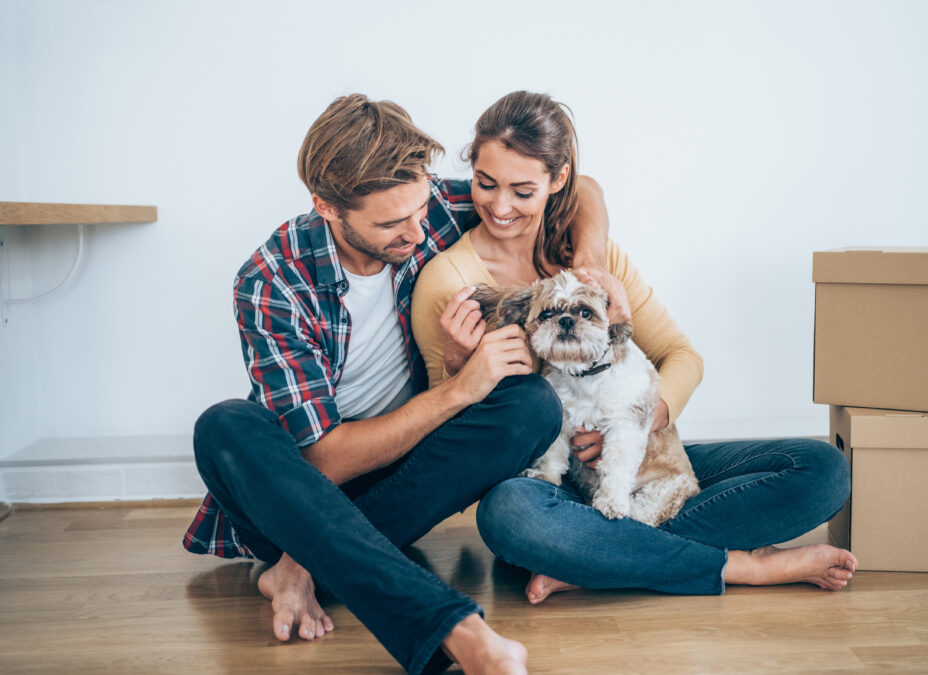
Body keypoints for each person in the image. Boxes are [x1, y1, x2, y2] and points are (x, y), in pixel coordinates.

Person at [183, 93, 615, 675]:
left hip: (403, 485)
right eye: (391, 223)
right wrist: (459, 390)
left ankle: (302, 566)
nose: (417, 230)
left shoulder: (425, 205)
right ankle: (454, 627)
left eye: (420, 209)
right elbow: (325, 460)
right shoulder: (272, 280)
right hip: (295, 494)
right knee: (224, 426)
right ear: (327, 207)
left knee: (530, 405)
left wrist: (586, 263)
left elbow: (579, 185)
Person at [411, 90, 857, 606]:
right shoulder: (449, 280)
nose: (500, 206)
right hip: (545, 485)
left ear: (558, 182)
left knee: (821, 470)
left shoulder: (597, 259)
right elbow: (443, 445)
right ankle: (738, 567)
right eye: (485, 185)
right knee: (508, 516)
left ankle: (595, 561)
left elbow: (682, 356)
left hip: (636, 458)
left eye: (522, 190)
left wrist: (638, 425)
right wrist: (456, 364)